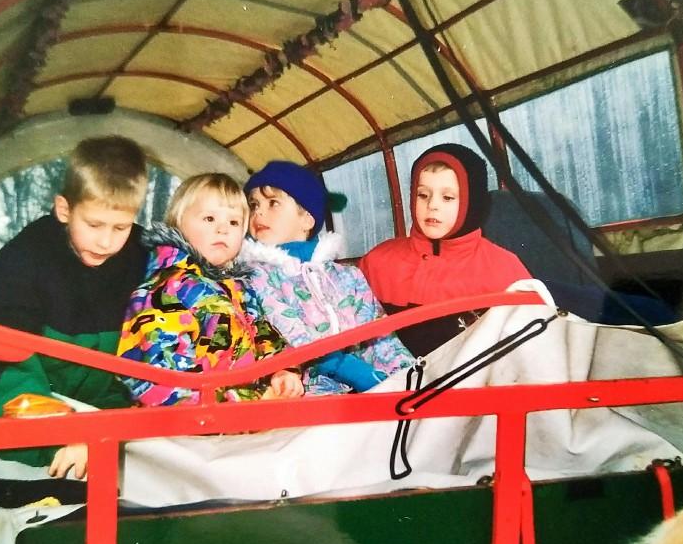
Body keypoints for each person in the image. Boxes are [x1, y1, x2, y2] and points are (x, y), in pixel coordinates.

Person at [0, 136, 149, 478]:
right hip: (37, 430)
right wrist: (64, 433)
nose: (106, 241)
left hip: (111, 421)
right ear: (64, 209)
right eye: (94, 225)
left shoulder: (146, 258)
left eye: (121, 227)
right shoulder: (16, 268)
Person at [118, 173, 303, 406]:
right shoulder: (166, 289)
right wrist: (244, 403)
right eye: (209, 218)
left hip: (241, 411)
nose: (223, 229)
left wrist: (282, 371)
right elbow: (162, 378)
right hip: (187, 419)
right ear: (178, 223)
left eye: (234, 222)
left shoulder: (239, 289)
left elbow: (265, 335)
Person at [239, 160, 413, 395]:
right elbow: (286, 329)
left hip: (360, 391)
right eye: (253, 204)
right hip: (302, 393)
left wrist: (408, 378)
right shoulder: (256, 276)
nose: (258, 212)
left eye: (273, 203)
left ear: (307, 219)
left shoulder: (347, 277)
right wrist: (342, 365)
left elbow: (379, 334)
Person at [359, 143, 531, 356]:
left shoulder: (504, 270)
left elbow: (531, 349)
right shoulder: (376, 263)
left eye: (447, 197)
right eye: (423, 195)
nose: (432, 205)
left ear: (472, 202)